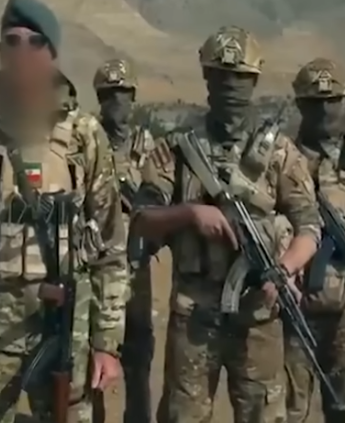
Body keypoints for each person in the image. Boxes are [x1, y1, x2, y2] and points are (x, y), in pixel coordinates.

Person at [0, 0, 128, 422]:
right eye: (12, 41)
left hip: (63, 324)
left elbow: (110, 245)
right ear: (1, 51)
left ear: (52, 51)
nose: (23, 52)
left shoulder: (84, 135)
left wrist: (107, 342)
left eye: (35, 42)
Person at [133, 25, 321, 423]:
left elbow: (309, 226)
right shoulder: (178, 149)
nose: (231, 87)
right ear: (206, 77)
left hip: (259, 317)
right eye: (221, 76)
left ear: (254, 80)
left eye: (240, 78)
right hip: (194, 317)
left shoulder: (278, 153)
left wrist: (284, 268)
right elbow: (142, 219)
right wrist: (190, 214)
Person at [92, 59, 155, 423]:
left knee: (139, 352)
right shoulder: (88, 140)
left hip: (136, 266)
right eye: (109, 95)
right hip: (97, 265)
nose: (116, 102)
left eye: (123, 94)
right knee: (93, 355)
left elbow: (159, 197)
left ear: (133, 97)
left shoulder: (147, 145)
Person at [284, 57, 345, 423]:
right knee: (290, 411)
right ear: (300, 105)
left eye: (333, 100)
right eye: (315, 101)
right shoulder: (282, 160)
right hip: (296, 312)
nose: (325, 110)